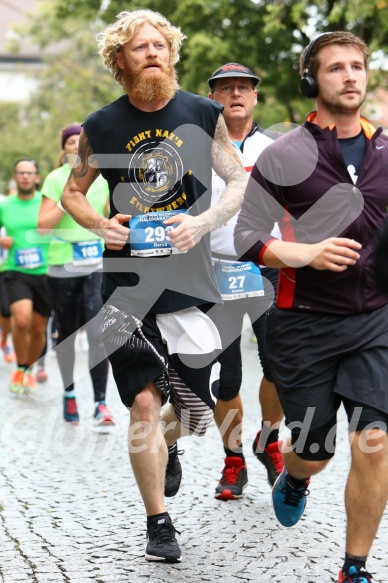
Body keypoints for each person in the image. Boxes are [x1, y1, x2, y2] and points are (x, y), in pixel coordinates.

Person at [61, 8, 247, 563]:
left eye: (160, 45)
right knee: (144, 403)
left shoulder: (201, 111)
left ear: (172, 53)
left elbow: (237, 180)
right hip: (126, 288)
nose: (152, 53)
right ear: (119, 60)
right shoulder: (101, 126)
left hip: (192, 282)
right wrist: (100, 224)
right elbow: (74, 193)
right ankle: (159, 524)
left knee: (192, 412)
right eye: (139, 47)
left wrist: (202, 222)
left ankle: (170, 444)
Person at [235, 31, 388, 583]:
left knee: (373, 442)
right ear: (312, 80)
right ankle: (296, 475)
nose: (350, 76)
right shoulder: (285, 153)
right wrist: (305, 253)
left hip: (375, 321)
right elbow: (247, 235)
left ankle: (355, 567)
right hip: (303, 324)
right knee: (316, 450)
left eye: (357, 66)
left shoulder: (387, 150)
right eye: (335, 68)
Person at [207, 62, 283, 500]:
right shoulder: (196, 149)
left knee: (277, 366)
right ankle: (232, 460)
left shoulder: (277, 148)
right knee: (227, 374)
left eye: (243, 88)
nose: (235, 94)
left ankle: (268, 441)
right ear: (213, 98)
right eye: (225, 88)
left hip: (268, 266)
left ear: (255, 97)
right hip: (214, 268)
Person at [38, 123, 114, 428]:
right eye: (70, 142)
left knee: (98, 334)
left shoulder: (103, 178)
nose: (75, 146)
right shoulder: (56, 179)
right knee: (67, 334)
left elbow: (111, 216)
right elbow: (43, 226)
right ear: (64, 148)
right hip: (62, 266)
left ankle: (100, 404)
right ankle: (69, 393)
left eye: (80, 141)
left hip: (95, 264)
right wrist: (69, 199)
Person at [0, 159, 52, 394]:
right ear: (15, 176)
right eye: (21, 173)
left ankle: (29, 369)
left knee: (39, 328)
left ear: (37, 177)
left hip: (45, 272)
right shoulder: (5, 205)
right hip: (15, 270)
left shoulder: (46, 203)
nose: (25, 177)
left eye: (29, 173)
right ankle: (20, 368)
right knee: (21, 321)